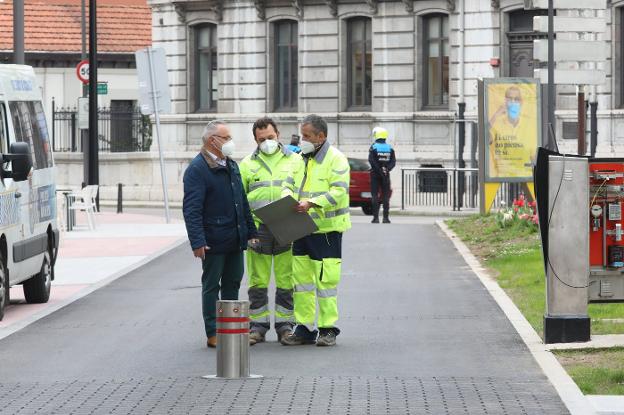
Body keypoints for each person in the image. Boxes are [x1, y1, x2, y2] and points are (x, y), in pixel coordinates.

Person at [182, 120, 258, 349]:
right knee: (212, 285)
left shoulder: (231, 164)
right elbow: (192, 209)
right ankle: (213, 331)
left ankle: (230, 327)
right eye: (226, 138)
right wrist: (198, 241)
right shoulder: (197, 169)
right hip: (213, 239)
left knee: (233, 282)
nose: (230, 142)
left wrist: (251, 231)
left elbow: (242, 201)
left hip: (234, 237)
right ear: (211, 140)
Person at [281, 114, 351, 347]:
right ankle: (303, 328)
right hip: (301, 228)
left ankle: (327, 328)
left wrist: (312, 203)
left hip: (326, 231)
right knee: (301, 282)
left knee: (326, 283)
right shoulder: (300, 158)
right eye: (302, 136)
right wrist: (286, 200)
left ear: (321, 136)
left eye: (307, 136)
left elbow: (339, 191)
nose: (303, 140)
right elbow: (288, 183)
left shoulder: (336, 159)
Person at [239, 117, 304, 345]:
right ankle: (257, 327)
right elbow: (240, 201)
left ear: (278, 134)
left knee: (287, 278)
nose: (267, 142)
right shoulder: (246, 164)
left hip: (287, 224)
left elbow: (303, 190)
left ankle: (285, 326)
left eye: (270, 137)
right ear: (255, 140)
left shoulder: (296, 161)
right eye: (262, 139)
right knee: (258, 280)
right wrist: (249, 232)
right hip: (259, 228)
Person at [488, 85, 537, 179]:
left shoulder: (528, 125)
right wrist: (496, 115)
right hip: (502, 176)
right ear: (505, 101)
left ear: (521, 102)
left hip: (524, 175)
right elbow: (485, 139)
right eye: (510, 99)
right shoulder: (497, 123)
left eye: (516, 99)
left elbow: (533, 156)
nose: (513, 102)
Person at [368, 127, 396, 224]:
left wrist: (379, 170)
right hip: (386, 174)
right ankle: (386, 218)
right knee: (385, 196)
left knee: (375, 195)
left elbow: (371, 161)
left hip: (375, 174)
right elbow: (393, 162)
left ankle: (375, 218)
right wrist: (387, 169)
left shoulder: (373, 147)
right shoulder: (390, 148)